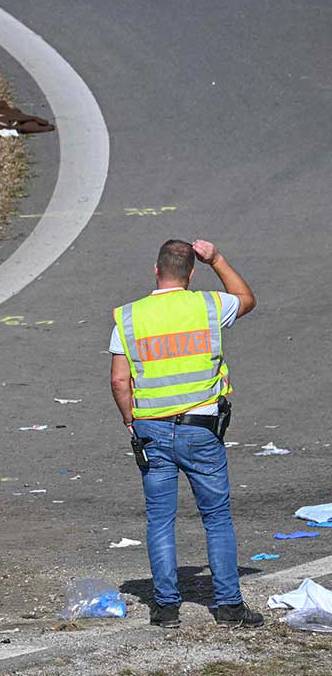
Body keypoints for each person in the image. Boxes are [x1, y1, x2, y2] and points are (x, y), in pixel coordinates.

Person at [109, 239, 263, 629]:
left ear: (155, 271)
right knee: (216, 518)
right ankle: (228, 606)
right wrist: (219, 259)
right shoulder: (208, 306)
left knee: (160, 519)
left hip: (151, 432)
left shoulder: (129, 317)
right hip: (201, 431)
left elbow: (118, 379)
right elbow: (246, 298)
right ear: (191, 274)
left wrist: (131, 420)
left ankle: (165, 608)